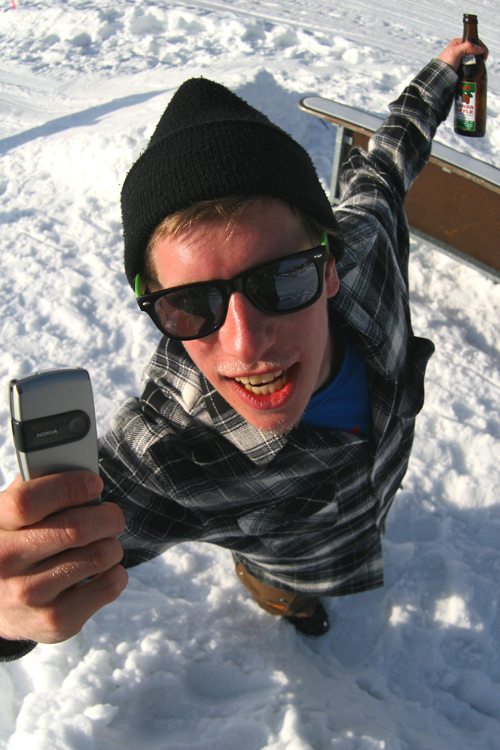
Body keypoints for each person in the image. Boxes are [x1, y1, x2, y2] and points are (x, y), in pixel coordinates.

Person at [0, 38, 488, 660]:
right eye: (192, 304)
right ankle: (282, 597)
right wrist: (10, 606)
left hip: (379, 490)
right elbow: (47, 571)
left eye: (281, 279)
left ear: (330, 266)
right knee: (285, 590)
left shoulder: (366, 252)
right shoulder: (173, 456)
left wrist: (444, 73)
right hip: (299, 564)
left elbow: (389, 157)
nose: (247, 343)